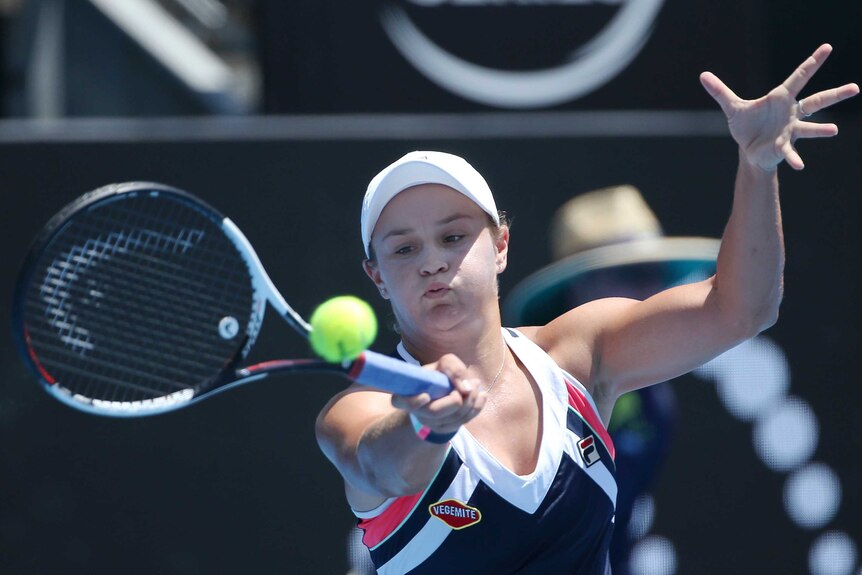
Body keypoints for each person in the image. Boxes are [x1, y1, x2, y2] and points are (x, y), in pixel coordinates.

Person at [316, 45, 858, 574]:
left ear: (501, 245)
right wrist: (425, 426)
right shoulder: (355, 411)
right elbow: (379, 465)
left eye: (453, 236)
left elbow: (744, 310)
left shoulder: (576, 353)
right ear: (377, 278)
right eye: (404, 248)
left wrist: (757, 166)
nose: (432, 263)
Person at [502, 185, 721, 574]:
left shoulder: (656, 408)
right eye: (631, 274)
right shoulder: (519, 389)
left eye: (654, 274)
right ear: (578, 292)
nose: (650, 294)